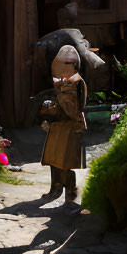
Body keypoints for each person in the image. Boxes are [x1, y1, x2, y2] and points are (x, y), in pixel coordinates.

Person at [38, 43, 87, 206]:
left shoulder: (77, 83)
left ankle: (70, 193)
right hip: (58, 127)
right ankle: (55, 188)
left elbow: (73, 108)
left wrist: (56, 107)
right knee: (54, 159)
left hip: (71, 128)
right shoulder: (62, 83)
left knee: (69, 161)